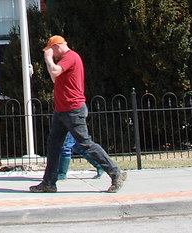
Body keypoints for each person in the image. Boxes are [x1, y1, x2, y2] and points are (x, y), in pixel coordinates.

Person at [30, 35, 126, 194]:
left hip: (73, 109)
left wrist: (48, 59)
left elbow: (54, 70)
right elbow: (55, 77)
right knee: (54, 145)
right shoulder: (63, 61)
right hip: (62, 110)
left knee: (85, 143)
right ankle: (49, 183)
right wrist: (50, 63)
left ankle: (116, 172)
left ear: (57, 47)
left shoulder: (70, 57)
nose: (51, 54)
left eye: (51, 50)